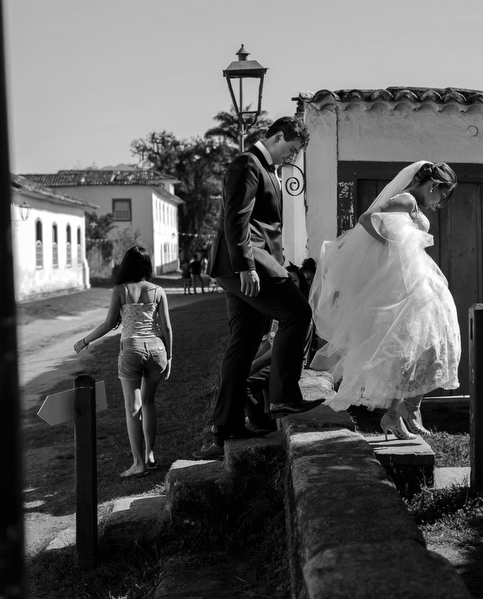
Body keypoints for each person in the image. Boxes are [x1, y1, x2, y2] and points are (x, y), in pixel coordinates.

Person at [195, 116, 325, 459]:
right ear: (278, 136)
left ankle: (225, 428)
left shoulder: (268, 170)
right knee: (298, 313)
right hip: (245, 263)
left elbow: (266, 225)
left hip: (247, 264)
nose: (291, 157)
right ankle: (283, 395)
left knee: (244, 344)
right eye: (291, 149)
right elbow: (236, 218)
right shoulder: (246, 163)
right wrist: (246, 267)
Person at [309, 161, 461, 440]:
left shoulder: (412, 202)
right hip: (403, 280)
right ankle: (397, 413)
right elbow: (367, 219)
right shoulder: (405, 198)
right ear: (432, 185)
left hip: (416, 276)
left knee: (431, 341)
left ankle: (403, 412)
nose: (439, 202)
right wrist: (387, 245)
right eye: (441, 195)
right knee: (413, 345)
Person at [75, 246, 173, 477]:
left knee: (133, 408)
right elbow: (167, 327)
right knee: (148, 403)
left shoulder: (120, 290)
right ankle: (149, 455)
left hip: (131, 350)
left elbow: (109, 324)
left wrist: (85, 341)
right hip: (157, 350)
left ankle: (138, 464)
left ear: (126, 265)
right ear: (147, 266)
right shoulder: (158, 290)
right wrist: (170, 356)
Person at [244, 263, 315, 433]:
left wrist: (252, 366)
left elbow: (278, 352)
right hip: (275, 360)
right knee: (240, 375)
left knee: (242, 382)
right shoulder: (281, 309)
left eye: (294, 281)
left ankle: (261, 424)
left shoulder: (300, 312)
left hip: (288, 362)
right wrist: (251, 362)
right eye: (287, 281)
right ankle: (258, 417)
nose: (290, 285)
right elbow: (270, 342)